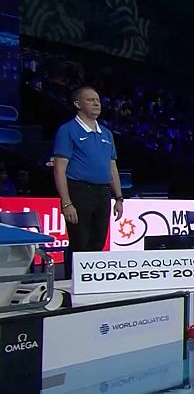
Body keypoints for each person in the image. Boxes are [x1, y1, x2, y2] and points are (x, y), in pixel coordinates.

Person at [53, 86, 124, 280]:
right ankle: (72, 285)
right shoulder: (68, 131)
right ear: (77, 104)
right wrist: (66, 202)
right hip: (79, 192)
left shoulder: (107, 134)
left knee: (98, 242)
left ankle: (91, 284)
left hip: (102, 194)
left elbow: (112, 168)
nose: (96, 103)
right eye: (90, 100)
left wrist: (118, 197)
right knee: (79, 243)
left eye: (98, 100)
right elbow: (59, 168)